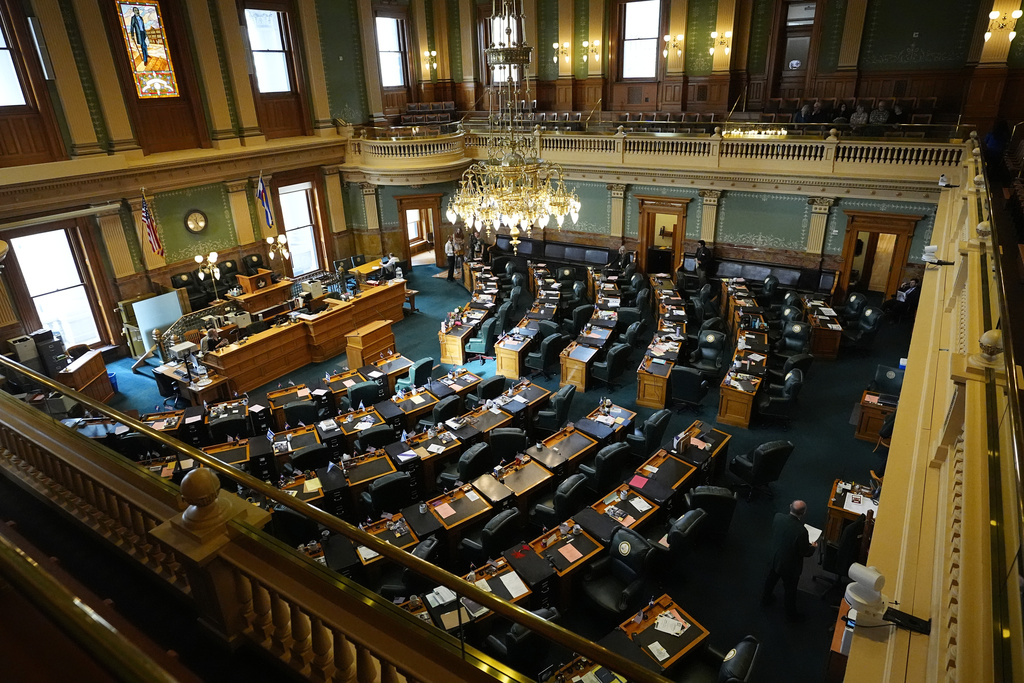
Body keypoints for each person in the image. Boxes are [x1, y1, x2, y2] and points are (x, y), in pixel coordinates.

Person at [762, 500, 817, 621]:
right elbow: (804, 552)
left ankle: (765, 599)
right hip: (790, 566)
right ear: (803, 513)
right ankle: (791, 613)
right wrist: (813, 547)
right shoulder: (802, 531)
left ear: (790, 507)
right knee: (790, 590)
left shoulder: (778, 517)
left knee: (771, 579)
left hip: (775, 557)